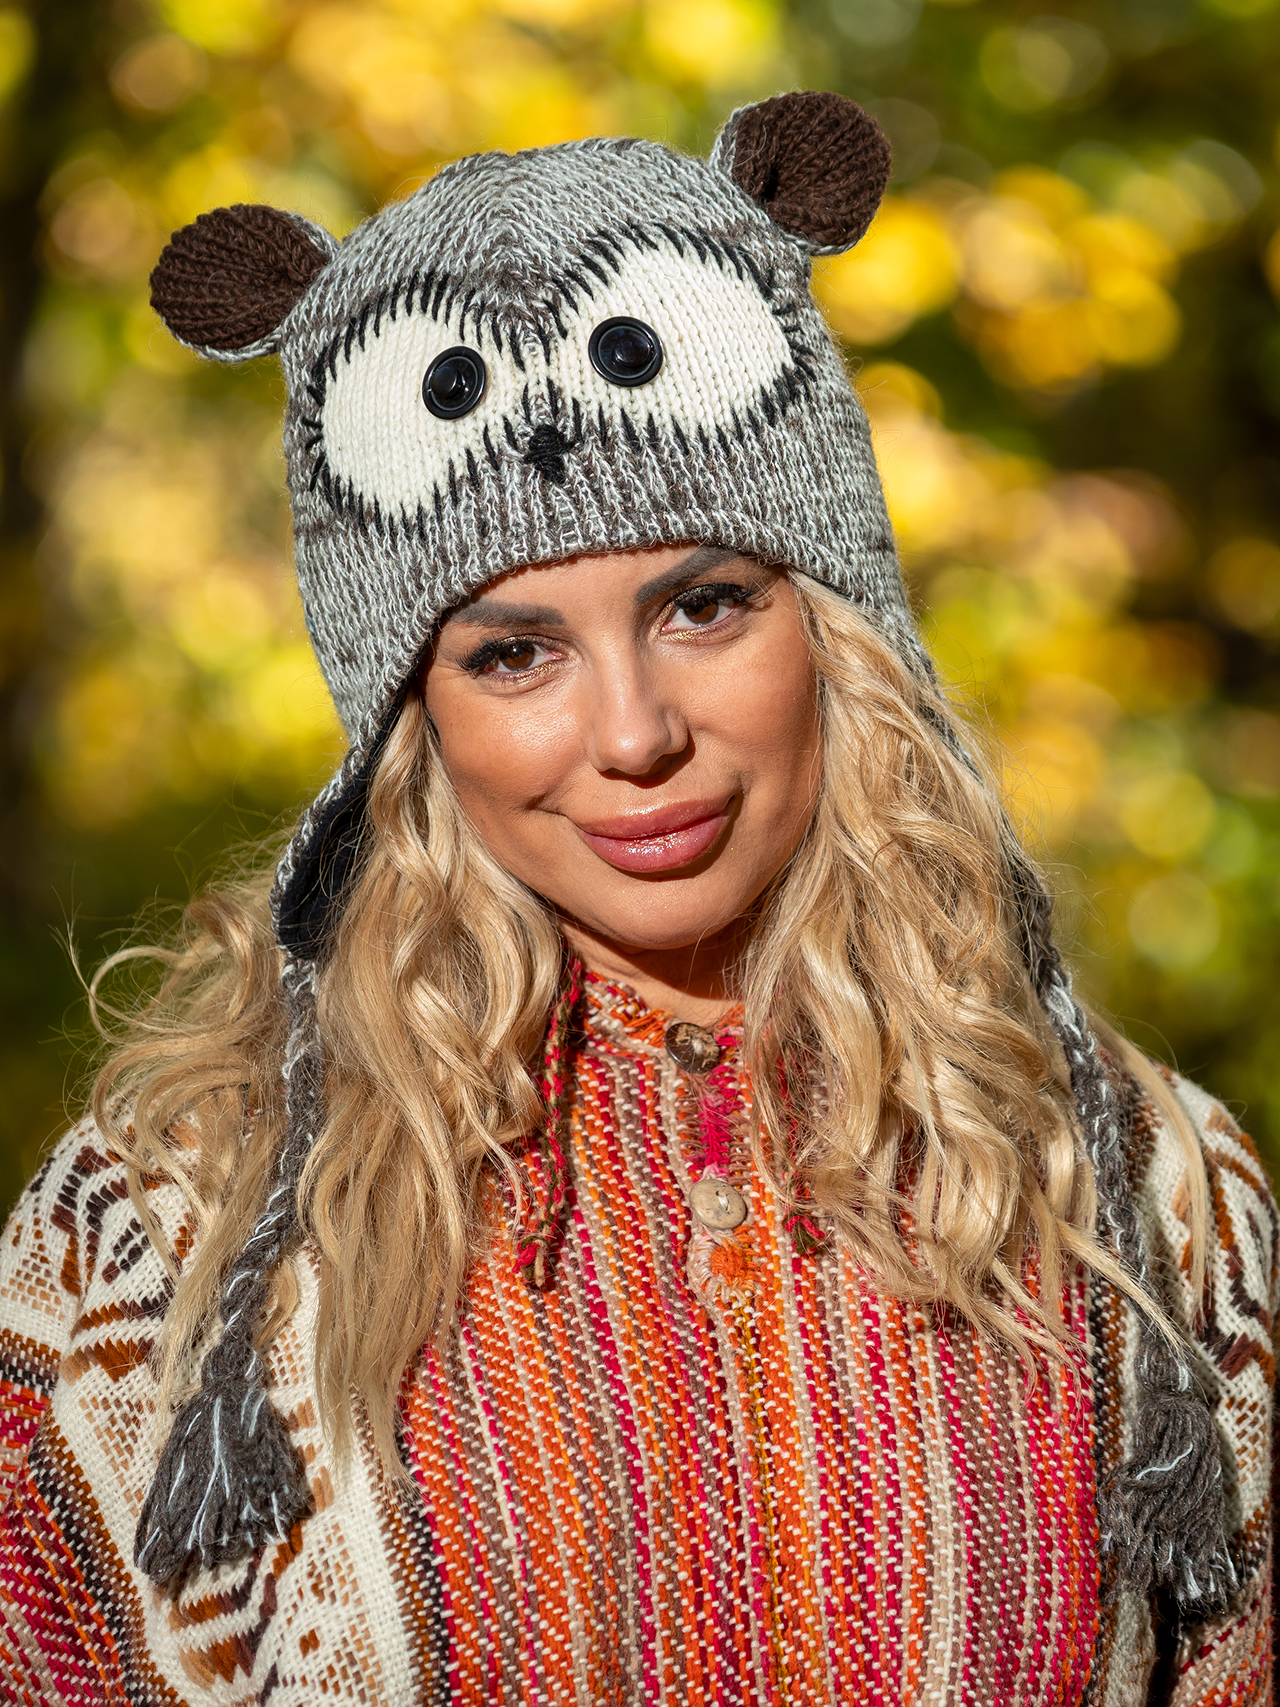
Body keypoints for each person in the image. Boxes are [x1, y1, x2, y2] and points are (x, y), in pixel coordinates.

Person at [0, 90, 1273, 1706]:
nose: (634, 735)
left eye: (705, 606)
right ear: (410, 720)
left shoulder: (1143, 1194)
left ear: (837, 629)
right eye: (513, 654)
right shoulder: (177, 1221)